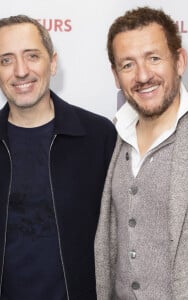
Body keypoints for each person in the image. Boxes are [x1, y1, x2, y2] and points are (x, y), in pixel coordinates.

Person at [0, 14, 116, 300]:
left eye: (32, 56)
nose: (21, 71)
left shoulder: (98, 135)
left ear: (52, 63)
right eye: (6, 60)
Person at [94, 6, 188, 299]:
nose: (143, 75)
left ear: (180, 60)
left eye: (154, 58)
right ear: (115, 75)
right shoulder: (112, 136)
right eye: (128, 65)